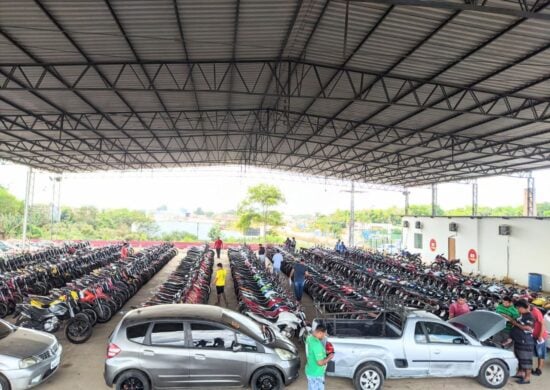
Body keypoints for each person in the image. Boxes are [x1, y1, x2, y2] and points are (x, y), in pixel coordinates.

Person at [506, 299, 534, 384]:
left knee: (526, 360)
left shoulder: (529, 316)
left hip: (525, 342)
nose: (517, 310)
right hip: (518, 340)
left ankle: (527, 378)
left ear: (523, 307)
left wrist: (514, 322)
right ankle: (520, 373)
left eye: (518, 308)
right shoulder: (521, 315)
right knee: (520, 359)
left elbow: (527, 328)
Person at [305, 325, 334, 390]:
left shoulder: (309, 338)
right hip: (316, 374)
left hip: (310, 369)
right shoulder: (316, 345)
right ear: (320, 332)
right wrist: (329, 357)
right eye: (324, 335)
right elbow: (320, 363)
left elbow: (312, 352)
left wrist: (324, 352)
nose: (324, 337)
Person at [530, 304, 548, 376]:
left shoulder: (536, 312)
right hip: (532, 335)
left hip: (541, 337)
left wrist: (540, 336)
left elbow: (542, 325)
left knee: (540, 353)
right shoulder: (529, 312)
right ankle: (529, 368)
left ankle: (539, 369)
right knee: (530, 352)